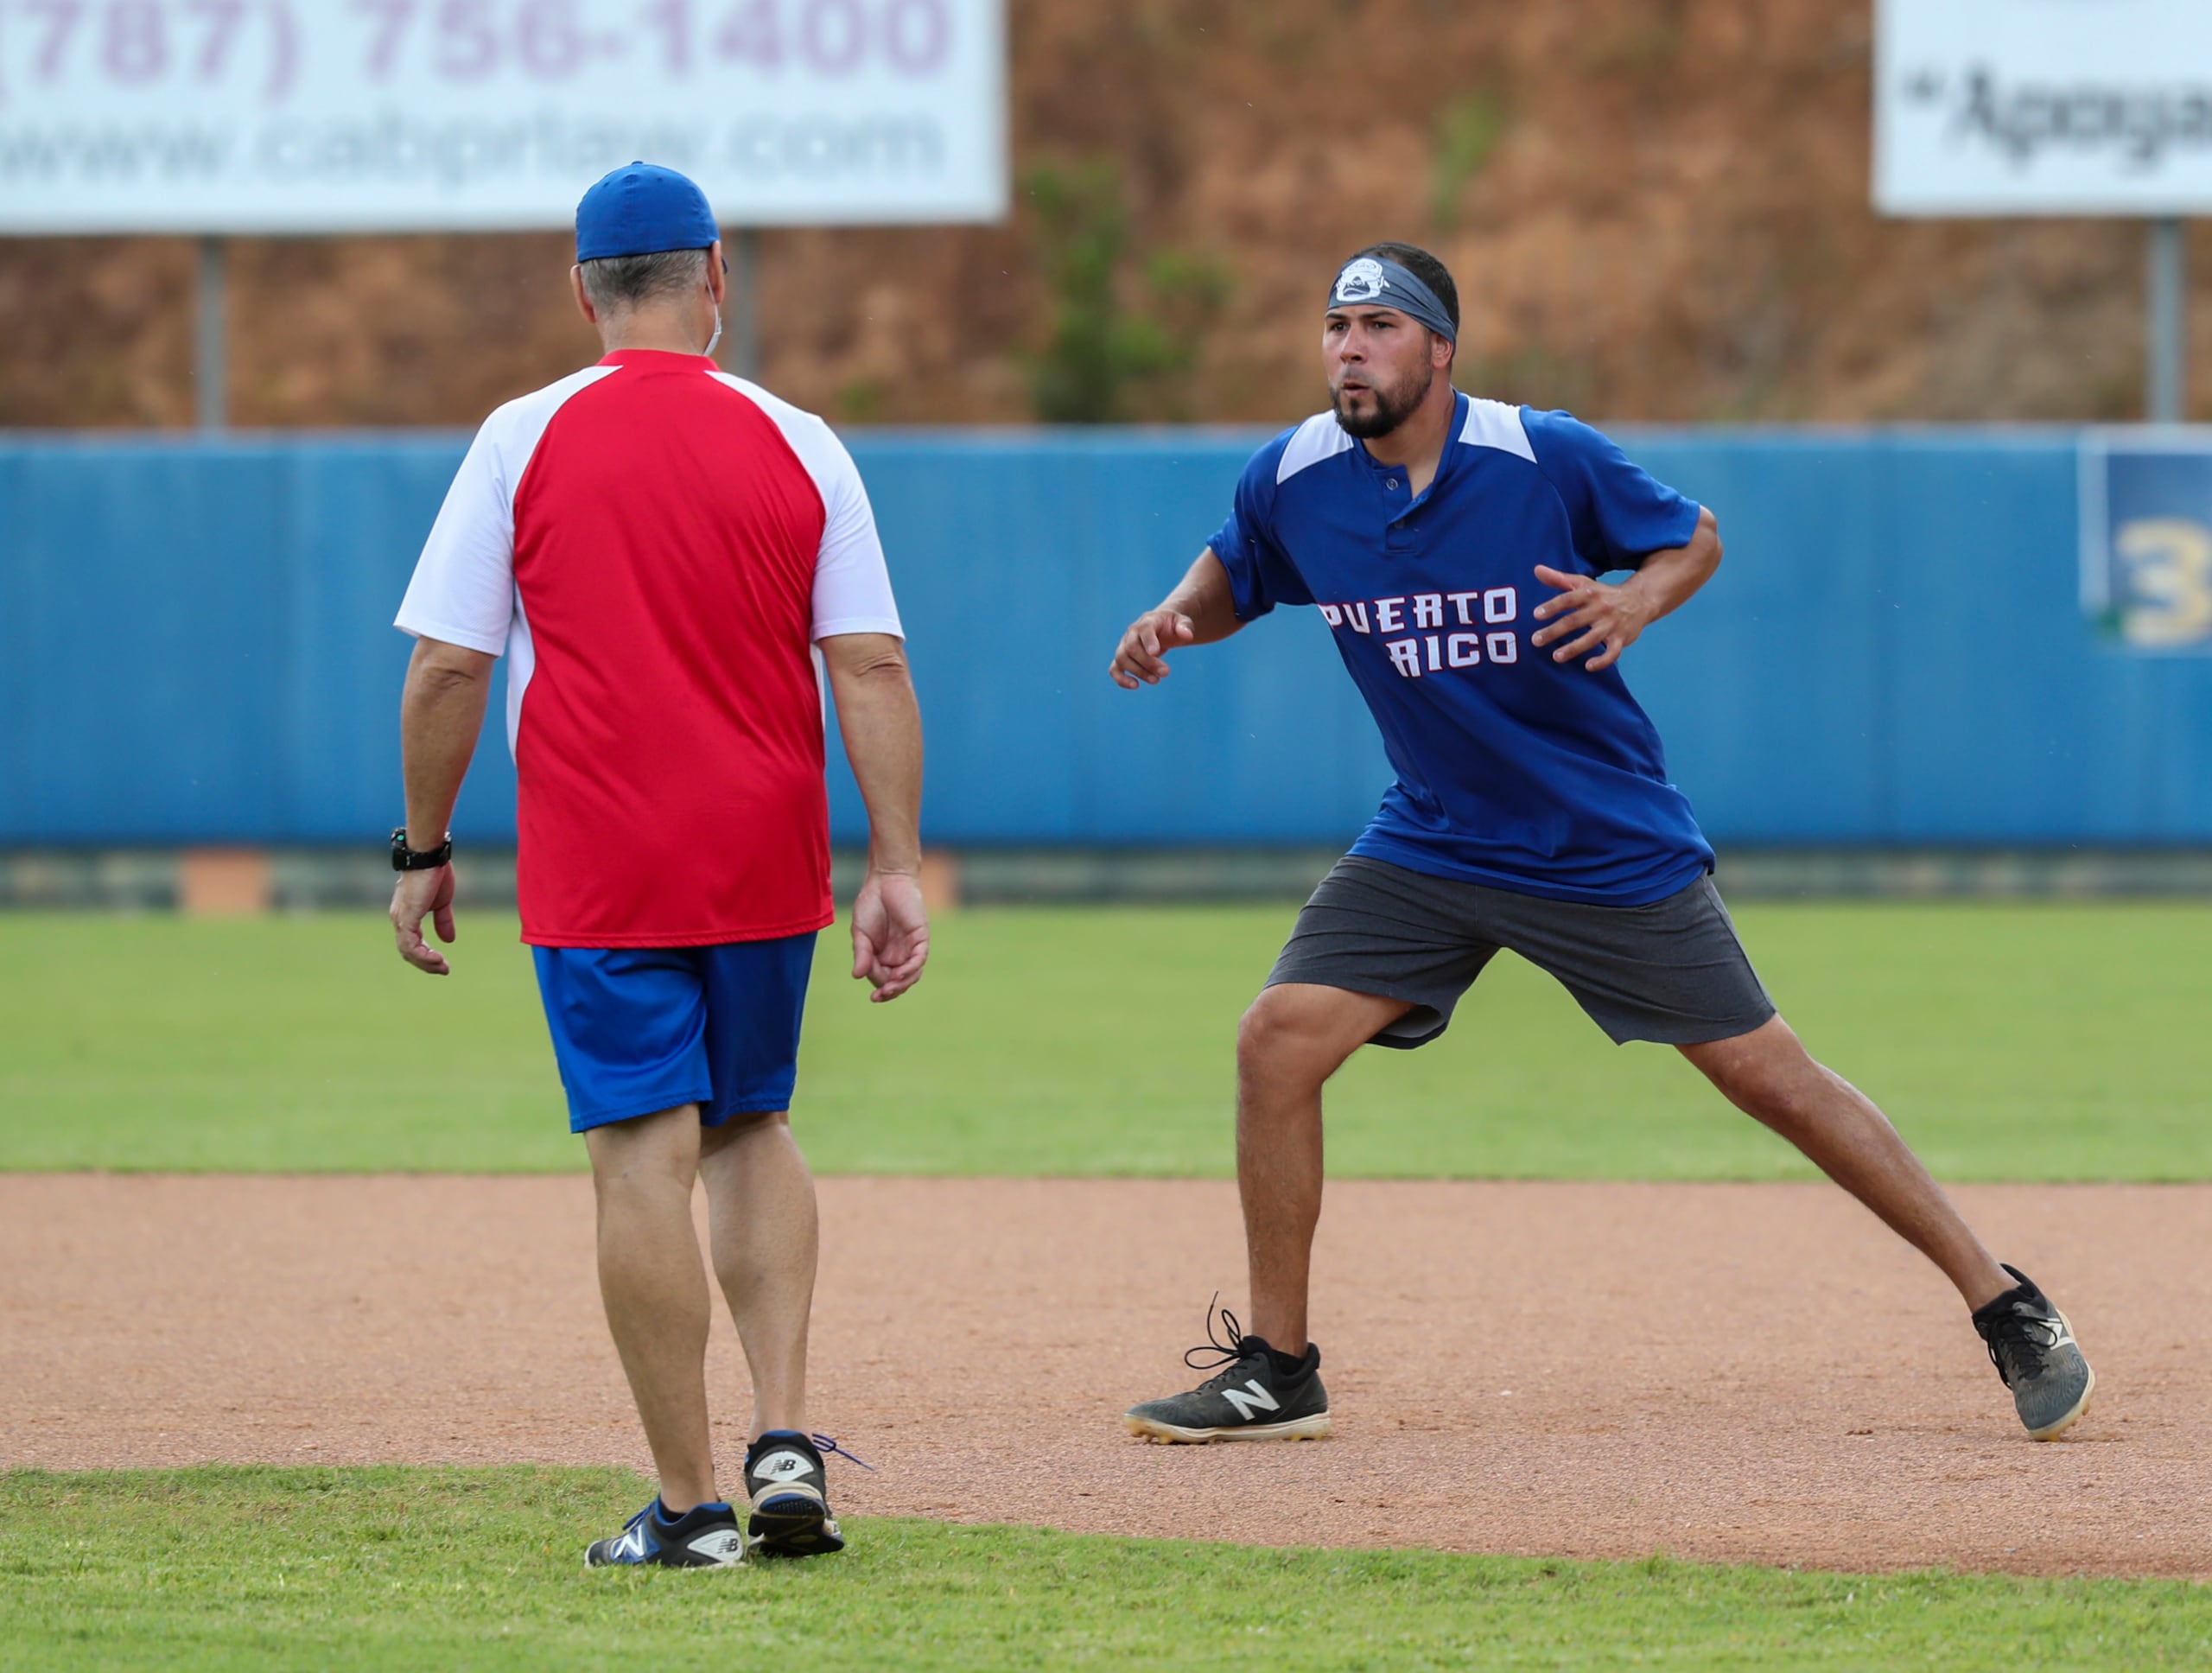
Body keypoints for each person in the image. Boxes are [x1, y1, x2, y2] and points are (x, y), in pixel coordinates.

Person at [1108, 242, 2093, 1448]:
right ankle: (1278, 1366)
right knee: (1277, 1043)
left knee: (1769, 1079)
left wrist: (1636, 596)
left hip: (1595, 840)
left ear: (1440, 348)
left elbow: (1695, 535)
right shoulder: (1299, 475)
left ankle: (2005, 1302)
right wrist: (1174, 617)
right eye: (1336, 326)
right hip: (1433, 837)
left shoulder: (1539, 454)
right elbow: (1237, 571)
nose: (1350, 348)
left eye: (1378, 325)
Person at [388, 162, 927, 1567]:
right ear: (718, 278)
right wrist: (897, 866)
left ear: (582, 289)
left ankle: (690, 1511)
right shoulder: (801, 439)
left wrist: (425, 847)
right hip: (762, 847)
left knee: (641, 1150)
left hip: (601, 854)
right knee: (751, 1125)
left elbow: (450, 667)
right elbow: (867, 659)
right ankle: (786, 1440)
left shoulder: (522, 437)